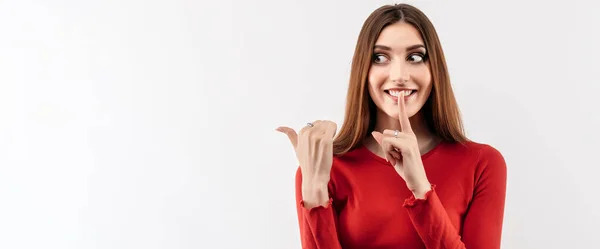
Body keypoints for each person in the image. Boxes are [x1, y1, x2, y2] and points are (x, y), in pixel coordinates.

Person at [276, 3, 507, 249]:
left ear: (434, 69)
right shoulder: (326, 168)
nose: (399, 75)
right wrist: (313, 192)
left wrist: (421, 188)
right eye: (380, 57)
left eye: (415, 57)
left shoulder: (481, 164)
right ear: (363, 70)